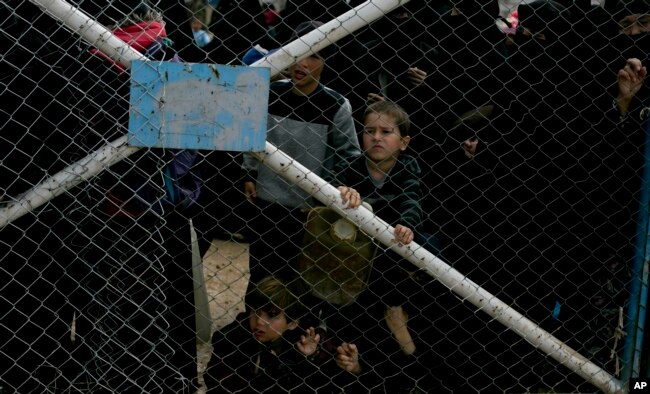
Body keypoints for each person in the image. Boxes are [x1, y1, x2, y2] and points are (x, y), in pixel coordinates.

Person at [60, 2, 203, 392]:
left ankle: (107, 375)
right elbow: (190, 143)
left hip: (100, 206)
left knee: (102, 303)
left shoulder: (82, 66)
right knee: (160, 302)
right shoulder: (172, 60)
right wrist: (167, 185)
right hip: (156, 205)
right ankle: (163, 377)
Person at [242, 21, 361, 287]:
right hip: (267, 203)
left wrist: (324, 194)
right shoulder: (271, 93)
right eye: (299, 52)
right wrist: (249, 173)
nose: (303, 63)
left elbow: (349, 154)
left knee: (299, 280)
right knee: (260, 275)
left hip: (308, 212)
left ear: (325, 62)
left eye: (314, 56)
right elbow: (252, 131)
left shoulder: (336, 105)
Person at [203, 276, 335, 392]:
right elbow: (215, 380)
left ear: (293, 323)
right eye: (256, 311)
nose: (259, 321)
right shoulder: (234, 334)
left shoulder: (312, 341)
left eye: (272, 315)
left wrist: (306, 360)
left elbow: (324, 384)